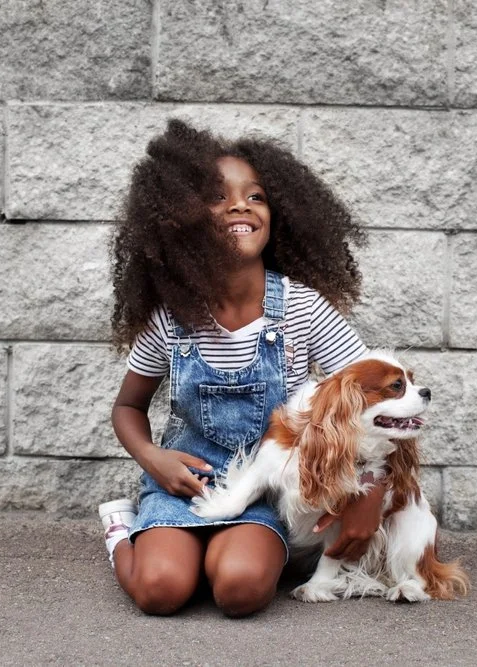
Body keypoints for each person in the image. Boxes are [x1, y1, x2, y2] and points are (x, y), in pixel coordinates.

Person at [98, 119, 386, 617]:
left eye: (256, 196)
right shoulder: (172, 319)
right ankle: (122, 529)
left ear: (279, 216)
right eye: (218, 197)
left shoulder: (301, 308)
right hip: (181, 485)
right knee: (160, 590)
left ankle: (222, 553)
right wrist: (152, 458)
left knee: (241, 590)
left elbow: (376, 396)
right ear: (182, 220)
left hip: (264, 490)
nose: (240, 206)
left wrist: (370, 494)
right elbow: (127, 407)